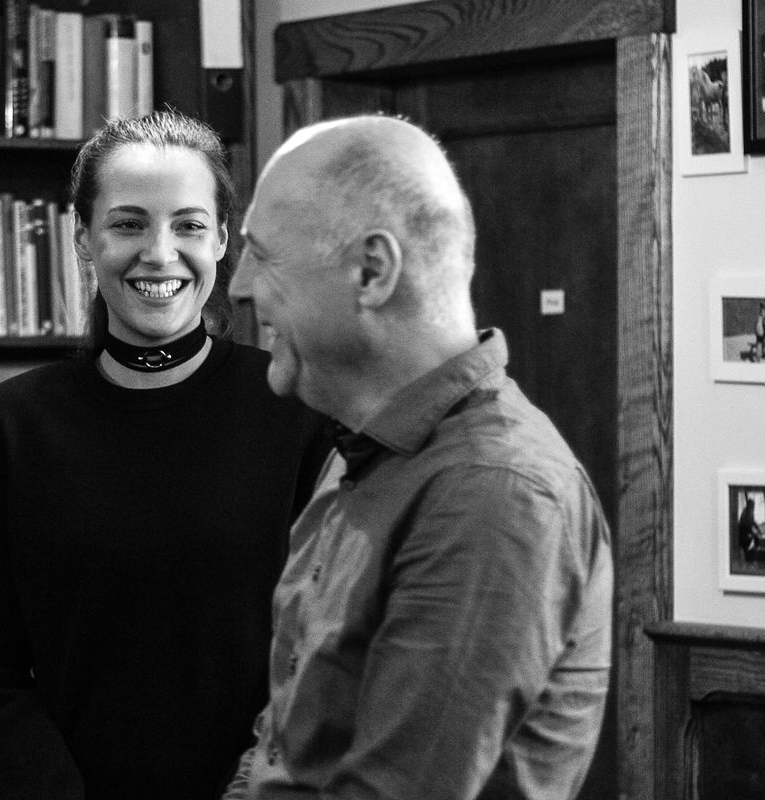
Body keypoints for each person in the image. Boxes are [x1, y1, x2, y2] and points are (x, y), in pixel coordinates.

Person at [0, 110, 332, 800]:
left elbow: (329, 655)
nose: (159, 253)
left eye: (189, 226)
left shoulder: (296, 406)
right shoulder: (16, 421)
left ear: (223, 239)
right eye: (128, 224)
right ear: (84, 238)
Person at [224, 114, 614, 799]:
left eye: (261, 253)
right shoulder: (362, 449)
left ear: (372, 271)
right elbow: (280, 743)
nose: (237, 286)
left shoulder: (493, 493)